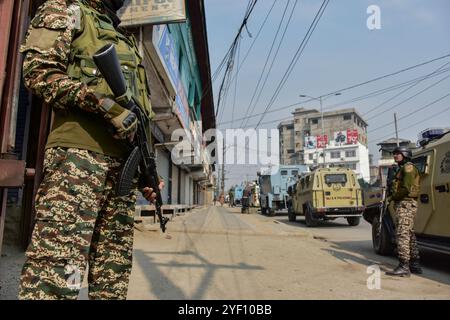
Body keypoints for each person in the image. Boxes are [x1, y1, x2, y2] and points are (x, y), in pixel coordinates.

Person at [18, 0, 159, 299]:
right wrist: (104, 106)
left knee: (113, 275)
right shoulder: (66, 10)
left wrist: (147, 174)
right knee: (58, 269)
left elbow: (140, 112)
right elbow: (38, 73)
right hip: (78, 161)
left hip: (122, 170)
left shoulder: (127, 39)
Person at [386, 146, 422, 277]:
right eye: (394, 153)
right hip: (406, 204)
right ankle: (415, 264)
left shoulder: (408, 167)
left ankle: (404, 266)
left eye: (398, 153)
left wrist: (392, 197)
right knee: (409, 234)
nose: (395, 156)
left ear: (405, 155)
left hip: (406, 203)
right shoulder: (402, 168)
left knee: (402, 234)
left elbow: (406, 189)